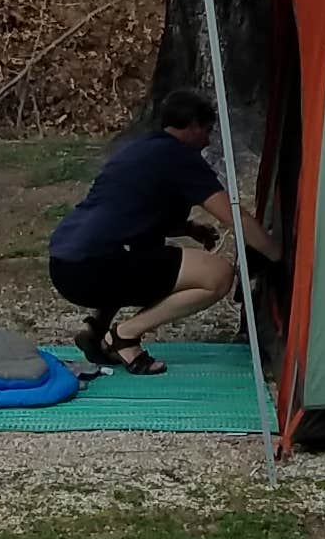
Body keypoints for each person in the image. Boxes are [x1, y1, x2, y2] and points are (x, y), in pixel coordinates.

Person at [47, 88, 252, 374]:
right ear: (192, 126)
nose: (207, 141)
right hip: (93, 268)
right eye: (206, 131)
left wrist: (190, 228)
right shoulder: (180, 157)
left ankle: (96, 329)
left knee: (142, 259)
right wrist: (275, 251)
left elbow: (132, 213)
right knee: (218, 275)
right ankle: (125, 336)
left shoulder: (138, 149)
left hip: (64, 264)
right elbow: (233, 216)